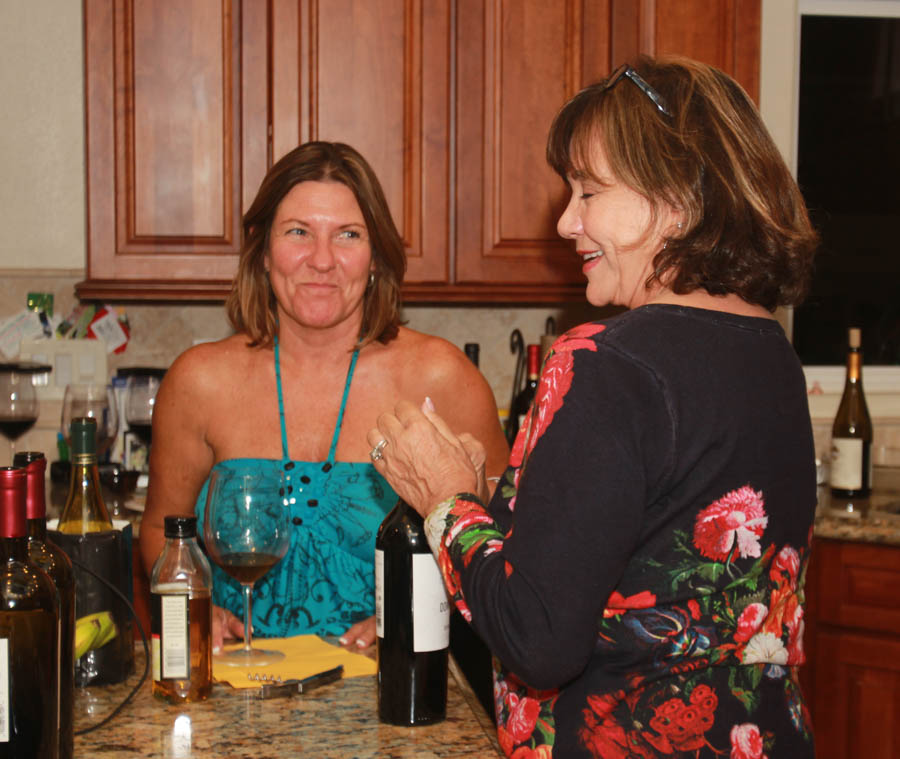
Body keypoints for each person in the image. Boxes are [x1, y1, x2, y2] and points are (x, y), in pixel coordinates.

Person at [367, 56, 819, 758]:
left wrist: (445, 502)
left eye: (589, 191)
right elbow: (647, 549)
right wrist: (496, 500)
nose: (564, 219)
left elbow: (539, 639)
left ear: (675, 198)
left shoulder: (603, 362)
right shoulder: (772, 354)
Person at [138, 141, 508, 653]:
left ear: (376, 255)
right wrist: (196, 608)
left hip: (393, 696)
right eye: (298, 233)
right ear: (262, 250)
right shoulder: (199, 381)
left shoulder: (442, 379)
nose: (321, 260)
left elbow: (501, 548)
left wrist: (413, 617)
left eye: (348, 235)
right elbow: (161, 528)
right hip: (234, 688)